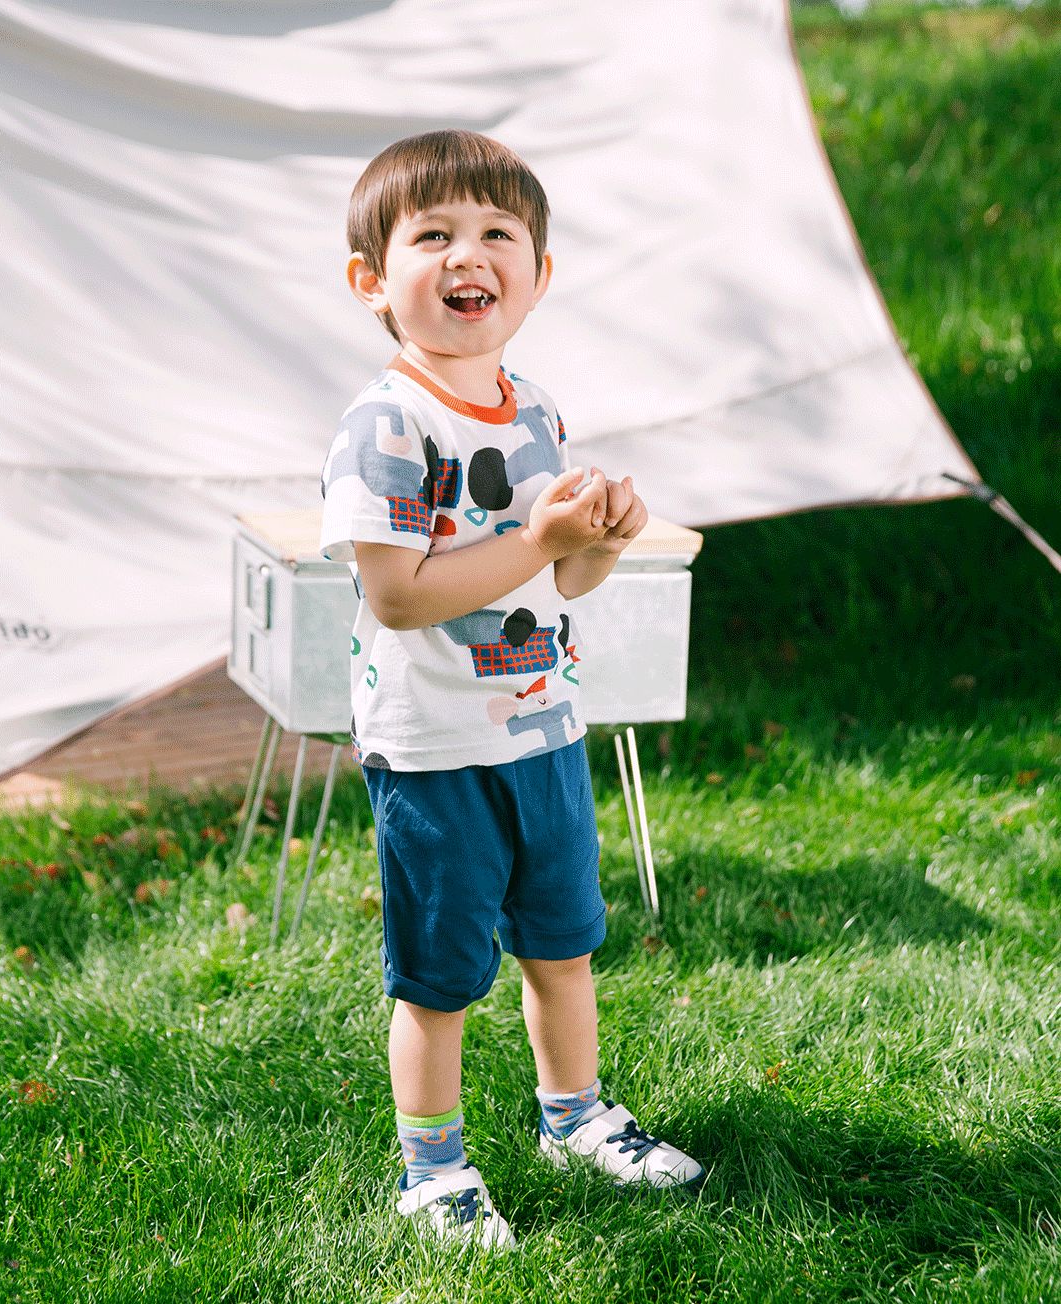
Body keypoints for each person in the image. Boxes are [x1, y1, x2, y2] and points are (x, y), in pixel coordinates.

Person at [319, 129, 703, 1251]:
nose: (465, 254)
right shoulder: (385, 424)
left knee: (562, 942)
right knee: (439, 975)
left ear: (537, 275)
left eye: (497, 233)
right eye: (430, 234)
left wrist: (602, 538)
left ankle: (572, 1115)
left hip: (541, 727)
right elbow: (397, 595)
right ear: (372, 282)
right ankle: (431, 1165)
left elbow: (566, 577)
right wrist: (539, 537)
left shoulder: (532, 406)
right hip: (434, 748)